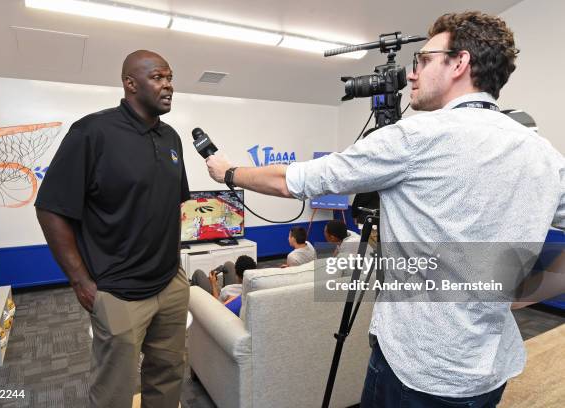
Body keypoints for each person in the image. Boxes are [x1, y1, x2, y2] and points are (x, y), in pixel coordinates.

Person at [204, 12, 565, 407]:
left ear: (459, 63)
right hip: (489, 372)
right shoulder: (544, 154)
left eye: (424, 60)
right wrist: (524, 294)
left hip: (415, 373)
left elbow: (296, 180)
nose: (412, 75)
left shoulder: (416, 137)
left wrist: (230, 173)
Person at [35, 50, 190, 408]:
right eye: (158, 77)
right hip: (118, 292)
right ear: (130, 84)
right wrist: (80, 281)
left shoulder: (172, 139)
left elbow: (172, 204)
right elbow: (50, 208)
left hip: (170, 283)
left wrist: (174, 265)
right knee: (114, 393)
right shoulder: (92, 132)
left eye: (170, 77)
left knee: (168, 376)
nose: (168, 85)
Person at [190, 255, 257, 316]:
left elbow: (218, 308)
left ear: (238, 276)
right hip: (232, 292)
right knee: (229, 264)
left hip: (218, 300)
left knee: (198, 273)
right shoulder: (257, 288)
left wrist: (213, 284)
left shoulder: (231, 294)